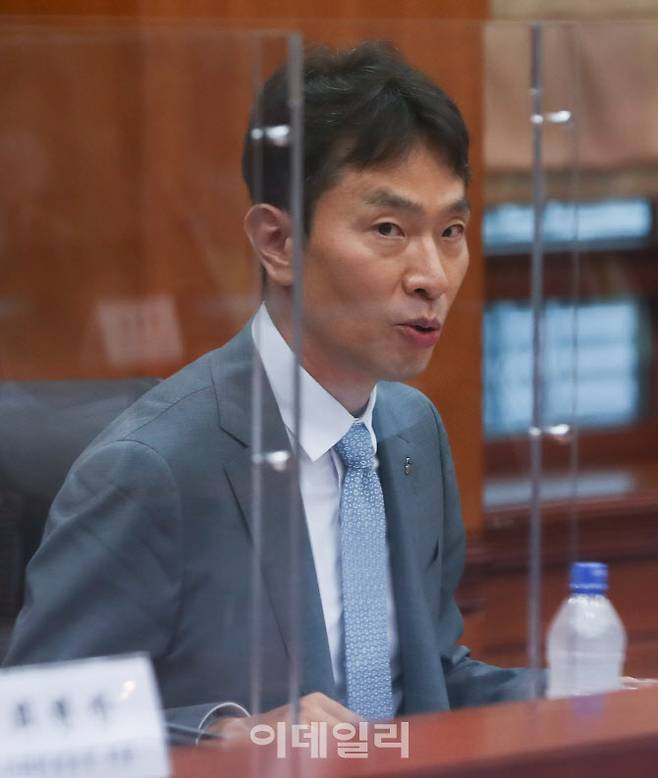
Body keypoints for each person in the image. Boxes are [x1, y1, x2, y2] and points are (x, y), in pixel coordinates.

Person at [4, 41, 534, 739]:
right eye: (388, 230)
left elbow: (428, 680)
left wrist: (589, 699)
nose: (432, 275)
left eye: (452, 231)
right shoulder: (151, 469)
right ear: (277, 242)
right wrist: (227, 734)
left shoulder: (412, 430)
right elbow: (32, 727)